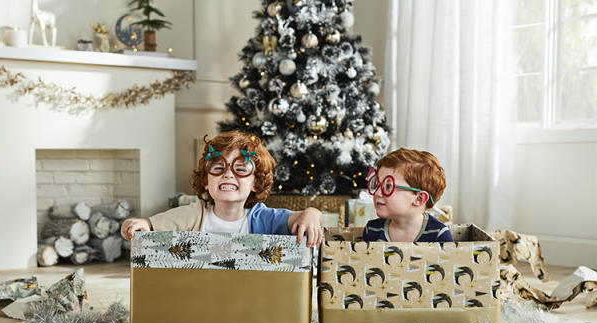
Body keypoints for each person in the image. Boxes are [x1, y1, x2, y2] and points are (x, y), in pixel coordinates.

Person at [120, 130, 323, 246]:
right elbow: (153, 224)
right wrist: (141, 223)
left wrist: (312, 215)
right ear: (207, 180)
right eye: (218, 167)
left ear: (256, 183)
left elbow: (305, 216)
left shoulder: (262, 218)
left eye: (240, 169)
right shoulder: (194, 214)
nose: (227, 174)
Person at [361, 147, 453, 242]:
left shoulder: (439, 234)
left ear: (419, 199)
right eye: (377, 184)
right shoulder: (371, 230)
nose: (377, 193)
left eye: (388, 186)